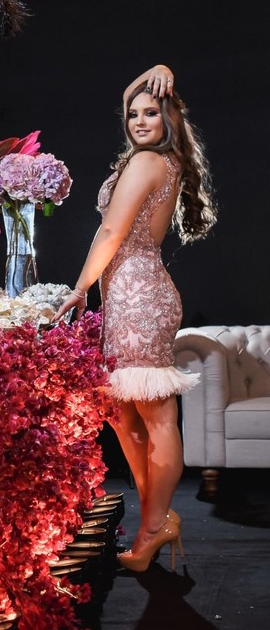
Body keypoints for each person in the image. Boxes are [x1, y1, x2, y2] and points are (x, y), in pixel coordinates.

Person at [53, 63, 217, 573]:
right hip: (128, 297)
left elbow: (110, 236)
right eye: (132, 114)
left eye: (150, 112)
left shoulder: (148, 162)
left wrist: (80, 289)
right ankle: (156, 516)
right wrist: (157, 72)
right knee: (123, 416)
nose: (138, 121)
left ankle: (154, 525)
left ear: (169, 118)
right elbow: (131, 93)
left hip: (140, 296)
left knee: (155, 415)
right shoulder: (156, 158)